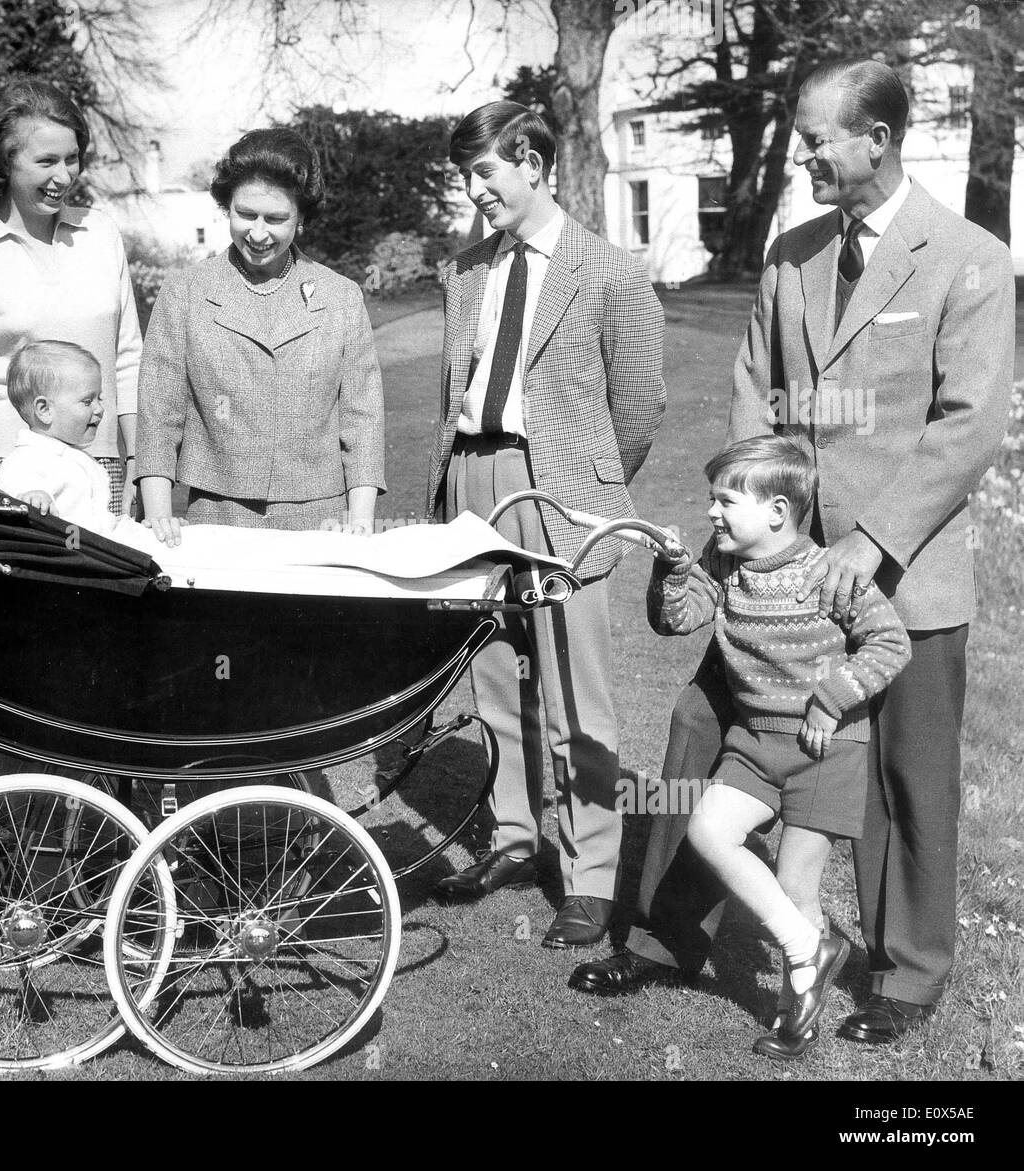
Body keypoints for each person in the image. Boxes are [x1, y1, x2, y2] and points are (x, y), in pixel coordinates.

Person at [571, 60, 1015, 1046]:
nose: (802, 156)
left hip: (903, 576)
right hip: (773, 570)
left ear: (878, 140)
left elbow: (966, 425)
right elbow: (751, 388)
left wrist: (870, 542)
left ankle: (906, 972)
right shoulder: (790, 252)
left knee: (904, 777)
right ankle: (661, 935)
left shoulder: (968, 258)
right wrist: (752, 522)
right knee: (700, 727)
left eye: (817, 140)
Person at [426, 101, 666, 948]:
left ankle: (591, 874)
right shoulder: (463, 271)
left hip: (558, 490)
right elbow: (454, 388)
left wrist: (588, 489)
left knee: (575, 692)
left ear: (532, 162)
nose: (473, 191)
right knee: (495, 676)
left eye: (484, 173)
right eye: (464, 177)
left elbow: (639, 404)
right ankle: (516, 836)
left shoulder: (609, 272)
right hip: (474, 479)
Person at [650, 435, 909, 1058]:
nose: (711, 513)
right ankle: (807, 948)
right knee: (709, 831)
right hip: (754, 744)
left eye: (725, 501)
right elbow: (676, 620)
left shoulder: (827, 572)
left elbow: (890, 643)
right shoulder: (722, 564)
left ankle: (798, 1014)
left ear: (777, 512)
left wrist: (832, 695)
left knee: (797, 884)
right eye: (712, 500)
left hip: (826, 749)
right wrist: (671, 570)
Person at [134, 128, 385, 541]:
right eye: (245, 214)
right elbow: (159, 415)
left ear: (302, 217)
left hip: (322, 518)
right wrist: (159, 518)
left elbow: (362, 418)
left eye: (276, 219)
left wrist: (360, 521)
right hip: (215, 515)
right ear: (226, 207)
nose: (258, 233)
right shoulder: (186, 292)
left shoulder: (341, 296)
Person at [0, 78, 142, 516]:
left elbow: (128, 359)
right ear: (5, 161)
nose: (64, 177)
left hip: (102, 466)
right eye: (46, 161)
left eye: (72, 159)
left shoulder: (101, 235)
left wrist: (138, 460)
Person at [0, 341, 162, 555]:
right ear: (44, 409)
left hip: (97, 554)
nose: (99, 409)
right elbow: (8, 503)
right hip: (69, 564)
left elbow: (99, 525)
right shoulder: (27, 460)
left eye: (99, 398)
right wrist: (28, 498)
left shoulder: (79, 459)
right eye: (87, 401)